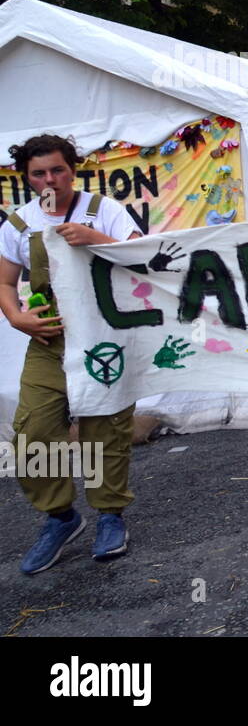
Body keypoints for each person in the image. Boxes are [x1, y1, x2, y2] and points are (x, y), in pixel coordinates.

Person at [0, 134, 143, 574]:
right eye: (39, 173)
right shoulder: (18, 225)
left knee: (105, 433)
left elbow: (142, 260)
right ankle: (61, 518)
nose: (49, 180)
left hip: (104, 339)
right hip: (49, 343)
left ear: (73, 168)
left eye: (57, 170)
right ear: (26, 177)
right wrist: (15, 316)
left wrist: (95, 238)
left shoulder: (106, 212)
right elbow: (5, 284)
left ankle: (109, 515)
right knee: (32, 434)